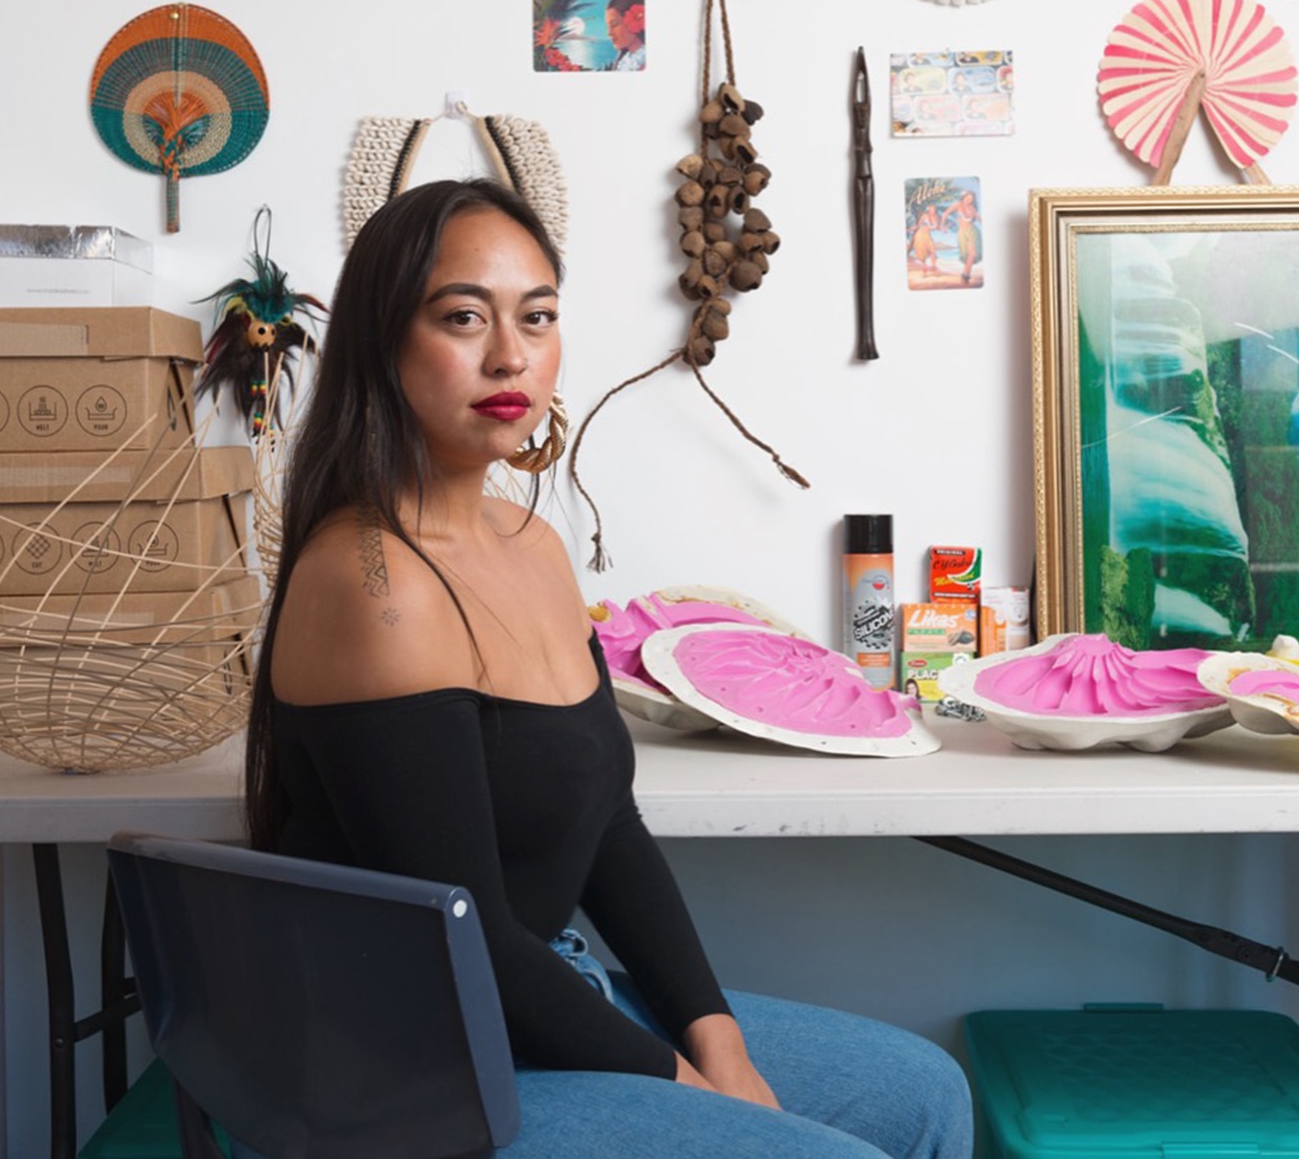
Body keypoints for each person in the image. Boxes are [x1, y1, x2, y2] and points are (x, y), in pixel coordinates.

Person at [245, 179, 973, 1158]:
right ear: (382, 343)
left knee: (922, 1094)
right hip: (399, 1063)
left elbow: (607, 827)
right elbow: (458, 936)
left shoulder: (532, 543)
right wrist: (686, 1089)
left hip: (538, 991)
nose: (510, 355)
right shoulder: (375, 580)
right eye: (462, 317)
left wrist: (719, 1046)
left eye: (536, 317)